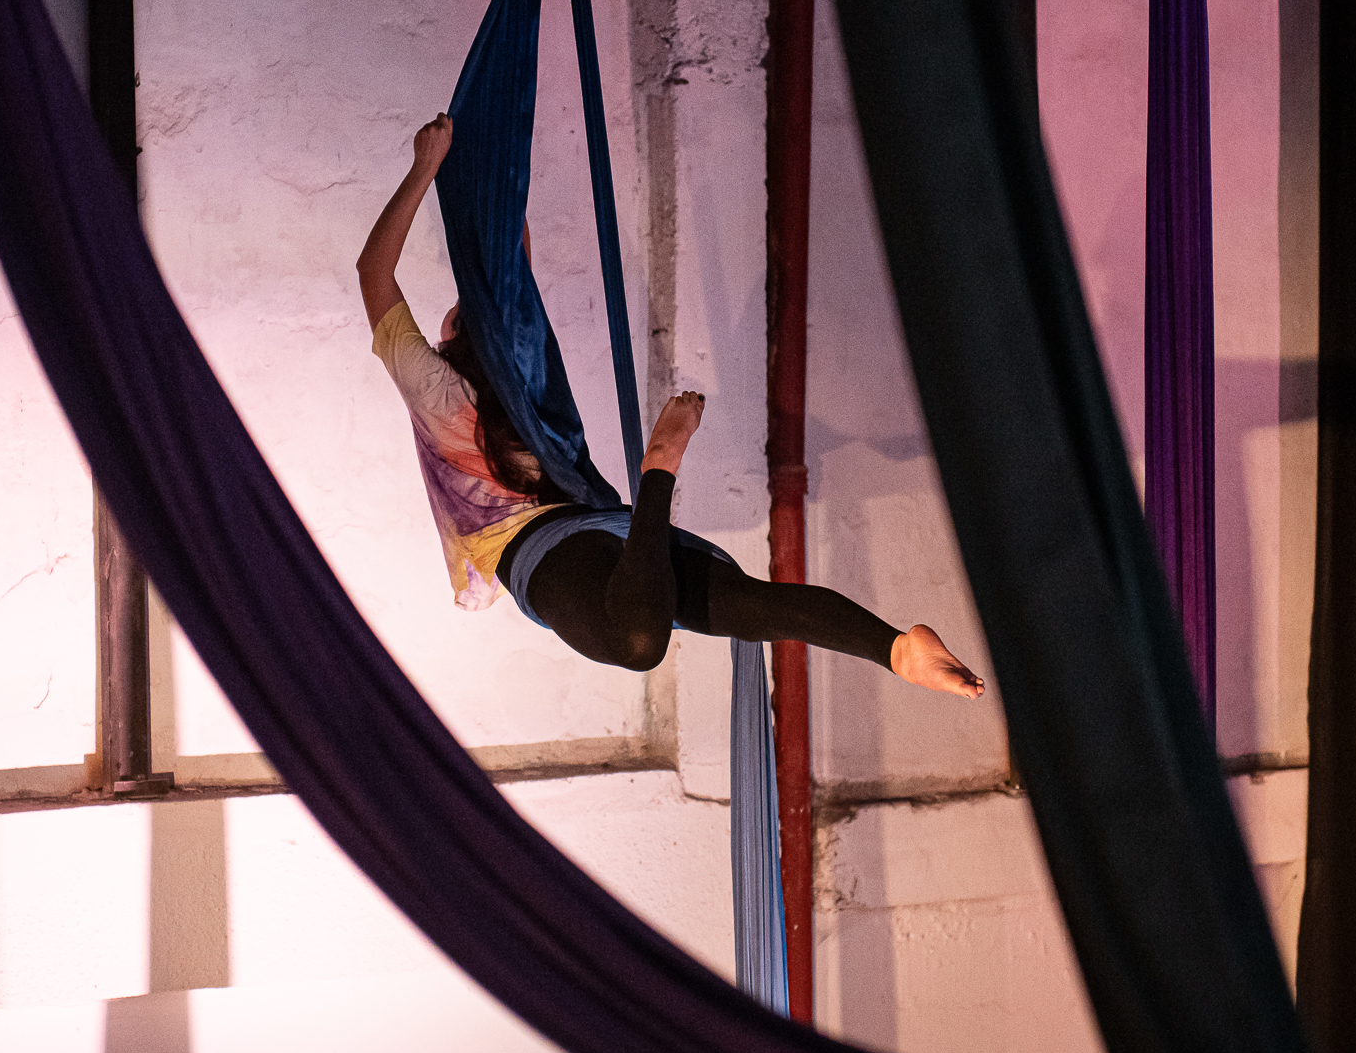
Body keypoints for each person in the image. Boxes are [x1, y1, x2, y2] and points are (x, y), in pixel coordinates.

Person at [358, 114, 984, 698]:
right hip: (607, 530)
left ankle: (662, 467)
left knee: (640, 643)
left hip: (543, 546)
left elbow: (377, 272)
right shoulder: (510, 371)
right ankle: (895, 648)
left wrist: (431, 166)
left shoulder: (438, 387)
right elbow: (487, 263)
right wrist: (453, 160)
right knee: (749, 607)